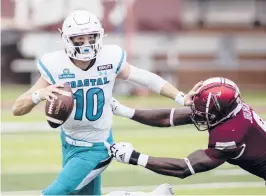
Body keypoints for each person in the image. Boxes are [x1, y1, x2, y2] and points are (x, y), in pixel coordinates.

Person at [12, 10, 199, 195]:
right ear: (67, 39)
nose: (86, 44)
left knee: (54, 193)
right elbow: (17, 108)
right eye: (79, 39)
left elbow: (146, 78)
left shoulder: (109, 58)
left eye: (91, 37)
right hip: (69, 143)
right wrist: (39, 94)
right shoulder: (55, 65)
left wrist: (180, 97)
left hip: (96, 147)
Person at [106, 77, 266, 182]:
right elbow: (168, 117)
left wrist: (135, 157)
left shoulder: (231, 135)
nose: (196, 112)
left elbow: (185, 167)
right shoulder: (228, 110)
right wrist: (122, 110)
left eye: (202, 109)